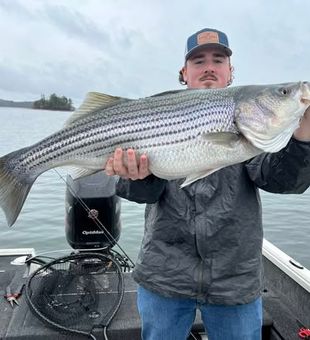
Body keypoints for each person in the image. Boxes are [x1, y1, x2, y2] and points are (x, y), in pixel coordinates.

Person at [105, 28, 310, 340]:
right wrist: (139, 174)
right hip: (164, 274)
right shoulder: (156, 115)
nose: (209, 67)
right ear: (184, 74)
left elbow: (282, 181)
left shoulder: (252, 133)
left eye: (219, 60)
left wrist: (303, 136)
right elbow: (141, 193)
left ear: (230, 73)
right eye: (198, 61)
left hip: (235, 278)